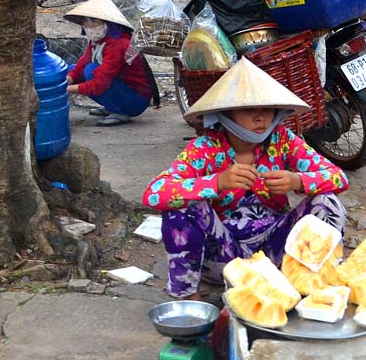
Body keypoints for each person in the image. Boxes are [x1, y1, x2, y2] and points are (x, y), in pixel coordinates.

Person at [141, 58, 348, 299]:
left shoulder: (283, 140)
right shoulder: (205, 149)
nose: (261, 118)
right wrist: (216, 183)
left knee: (326, 202)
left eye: (267, 110)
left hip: (278, 249)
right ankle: (188, 300)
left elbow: (338, 177)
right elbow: (155, 193)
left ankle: (314, 281)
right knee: (182, 207)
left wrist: (296, 181)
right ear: (226, 114)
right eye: (249, 110)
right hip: (225, 257)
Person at [64, 0, 153, 127]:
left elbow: (100, 83)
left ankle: (121, 111)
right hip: (121, 89)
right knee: (73, 69)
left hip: (136, 100)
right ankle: (112, 106)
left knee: (90, 71)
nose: (88, 25)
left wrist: (66, 89)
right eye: (86, 20)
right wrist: (67, 80)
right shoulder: (98, 41)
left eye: (93, 20)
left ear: (108, 23)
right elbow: (82, 64)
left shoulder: (118, 44)